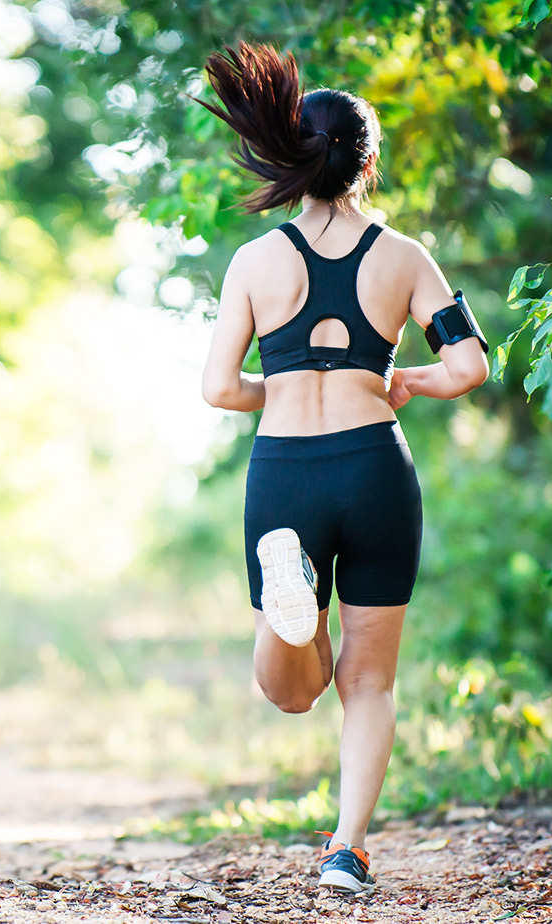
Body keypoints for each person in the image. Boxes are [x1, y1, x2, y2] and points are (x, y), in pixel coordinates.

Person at [192, 41, 490, 895]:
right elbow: (470, 367)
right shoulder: (405, 255)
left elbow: (218, 388)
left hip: (284, 468)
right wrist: (400, 383)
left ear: (293, 151)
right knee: (369, 681)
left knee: (294, 690)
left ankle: (289, 623)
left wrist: (282, 384)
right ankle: (345, 852)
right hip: (374, 468)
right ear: (367, 159)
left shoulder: (255, 261)